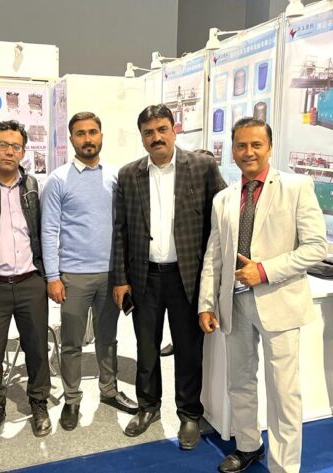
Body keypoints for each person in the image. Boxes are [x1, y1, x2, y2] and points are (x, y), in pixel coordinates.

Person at [199, 118, 326, 473]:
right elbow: (214, 254)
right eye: (241, 145)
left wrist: (265, 270)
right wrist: (207, 302)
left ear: (270, 147)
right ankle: (247, 446)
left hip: (279, 299)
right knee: (240, 381)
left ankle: (284, 466)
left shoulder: (296, 186)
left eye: (256, 144)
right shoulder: (224, 199)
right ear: (232, 150)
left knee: (284, 391)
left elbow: (316, 247)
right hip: (234, 303)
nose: (248, 152)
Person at [113, 104, 225, 449]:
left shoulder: (202, 167)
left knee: (188, 350)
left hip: (186, 277)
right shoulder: (129, 175)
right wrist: (120, 278)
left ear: (174, 130)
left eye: (162, 129)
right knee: (146, 348)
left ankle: (189, 414)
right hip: (144, 277)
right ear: (142, 137)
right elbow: (120, 230)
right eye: (149, 132)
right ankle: (148, 407)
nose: (156, 137)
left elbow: (222, 219)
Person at [41, 111, 138, 431]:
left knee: (108, 339)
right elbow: (49, 231)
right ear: (71, 139)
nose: (87, 139)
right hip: (73, 276)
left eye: (93, 132)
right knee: (71, 343)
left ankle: (109, 390)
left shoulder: (116, 176)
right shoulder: (58, 180)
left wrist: (124, 274)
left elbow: (124, 227)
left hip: (111, 275)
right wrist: (52, 277)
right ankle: (72, 398)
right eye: (80, 133)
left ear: (101, 136)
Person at [0, 121, 51, 444]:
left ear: (23, 151)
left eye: (16, 147)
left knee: (37, 348)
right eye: (3, 145)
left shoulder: (32, 184)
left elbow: (42, 231)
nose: (9, 152)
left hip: (30, 281)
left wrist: (46, 275)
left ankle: (38, 402)